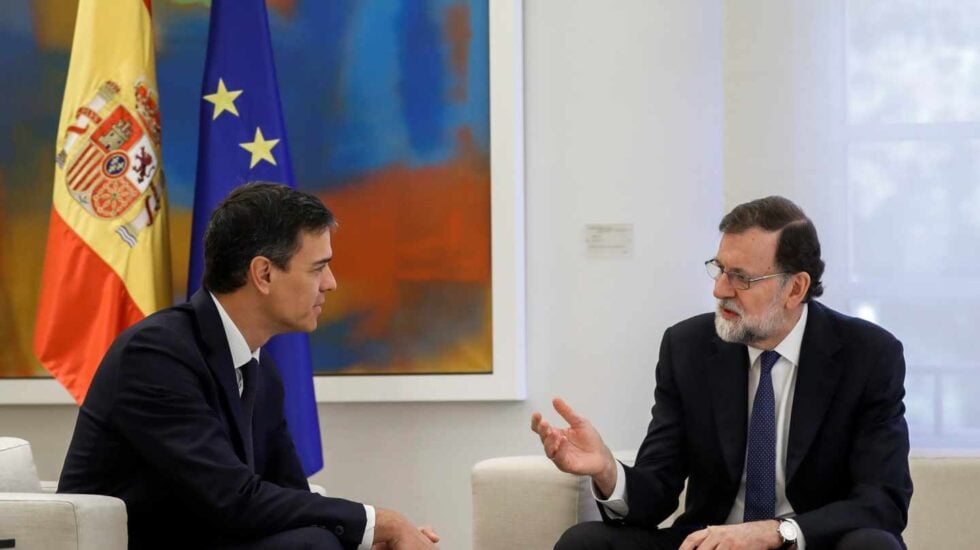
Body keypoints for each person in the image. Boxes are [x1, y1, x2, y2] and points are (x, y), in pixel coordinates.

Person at [59, 183, 439, 550]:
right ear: (264, 274)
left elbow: (289, 498)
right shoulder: (156, 355)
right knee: (314, 544)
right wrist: (382, 522)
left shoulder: (261, 371)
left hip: (211, 539)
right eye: (317, 268)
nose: (331, 283)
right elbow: (232, 499)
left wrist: (364, 540)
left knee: (322, 540)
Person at [531, 196, 912, 550]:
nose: (719, 290)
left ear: (795, 288)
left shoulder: (869, 355)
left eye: (740, 277)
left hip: (807, 543)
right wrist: (607, 471)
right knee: (587, 542)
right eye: (719, 269)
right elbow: (658, 489)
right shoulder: (688, 347)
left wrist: (776, 531)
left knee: (874, 546)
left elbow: (883, 502)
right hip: (707, 543)